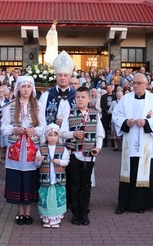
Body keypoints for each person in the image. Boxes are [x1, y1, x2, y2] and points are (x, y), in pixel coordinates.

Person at [112, 74, 153, 214]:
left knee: (143, 171)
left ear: (146, 84)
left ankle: (141, 203)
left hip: (146, 144)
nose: (135, 85)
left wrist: (147, 123)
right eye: (133, 83)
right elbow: (116, 116)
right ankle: (123, 203)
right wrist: (126, 122)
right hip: (129, 143)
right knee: (128, 171)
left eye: (138, 83)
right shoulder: (125, 99)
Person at [1, 75, 45, 226]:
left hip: (32, 149)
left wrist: (35, 131)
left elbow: (43, 127)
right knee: (18, 181)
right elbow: (3, 128)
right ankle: (20, 213)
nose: (26, 89)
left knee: (30, 181)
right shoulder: (10, 105)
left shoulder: (38, 105)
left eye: (28, 86)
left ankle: (28, 212)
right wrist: (14, 129)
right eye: (23, 86)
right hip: (16, 150)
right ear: (18, 88)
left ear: (32, 88)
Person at [60, 86, 104, 225]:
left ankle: (84, 212)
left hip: (89, 156)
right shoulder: (70, 113)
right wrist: (73, 134)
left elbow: (100, 134)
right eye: (78, 97)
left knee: (86, 184)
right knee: (74, 184)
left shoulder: (94, 114)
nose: (80, 99)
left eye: (83, 97)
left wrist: (98, 147)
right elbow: (62, 133)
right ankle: (75, 213)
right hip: (74, 154)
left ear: (89, 99)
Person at [35, 123, 70, 229]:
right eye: (50, 135)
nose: (53, 138)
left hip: (57, 179)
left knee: (57, 198)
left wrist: (59, 161)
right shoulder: (41, 149)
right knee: (45, 198)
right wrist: (39, 160)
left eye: (55, 135)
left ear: (58, 136)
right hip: (46, 180)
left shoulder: (63, 149)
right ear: (46, 136)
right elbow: (36, 164)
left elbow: (67, 161)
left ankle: (55, 219)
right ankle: (46, 218)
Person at [39, 50, 76, 126]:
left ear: (70, 77)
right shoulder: (46, 95)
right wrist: (54, 122)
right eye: (60, 75)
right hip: (51, 134)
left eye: (65, 75)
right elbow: (40, 117)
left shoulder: (77, 95)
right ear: (56, 77)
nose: (62, 78)